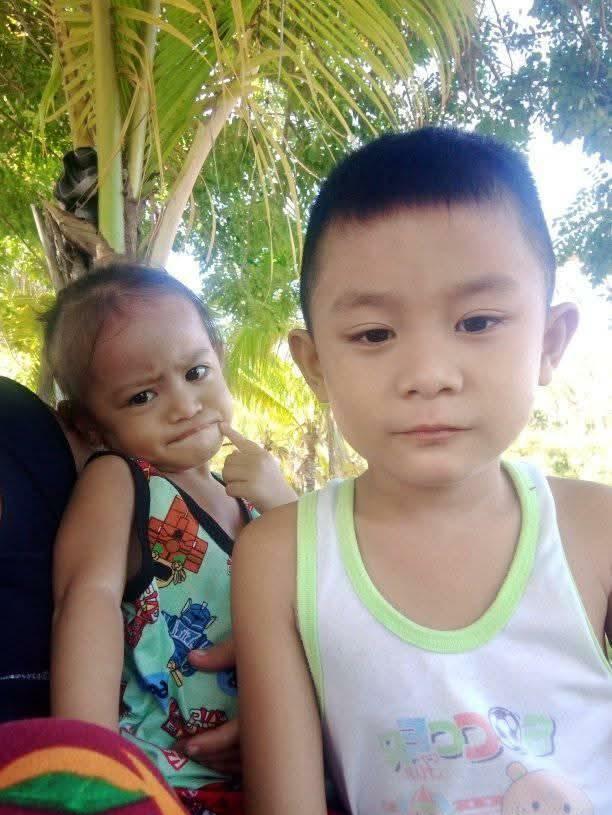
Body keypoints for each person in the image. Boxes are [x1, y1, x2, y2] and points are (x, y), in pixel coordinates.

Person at [232, 127, 612, 814]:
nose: (429, 375)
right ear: (315, 365)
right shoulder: (279, 560)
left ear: (550, 342)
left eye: (478, 322)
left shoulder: (597, 528)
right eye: (375, 334)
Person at [43, 264, 297, 813]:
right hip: (163, 775)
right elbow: (87, 601)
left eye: (196, 372)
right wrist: (89, 771)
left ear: (220, 358)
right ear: (89, 424)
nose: (184, 405)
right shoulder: (124, 481)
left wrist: (285, 506)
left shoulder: (253, 501)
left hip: (283, 764)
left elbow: (329, 596)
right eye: (142, 397)